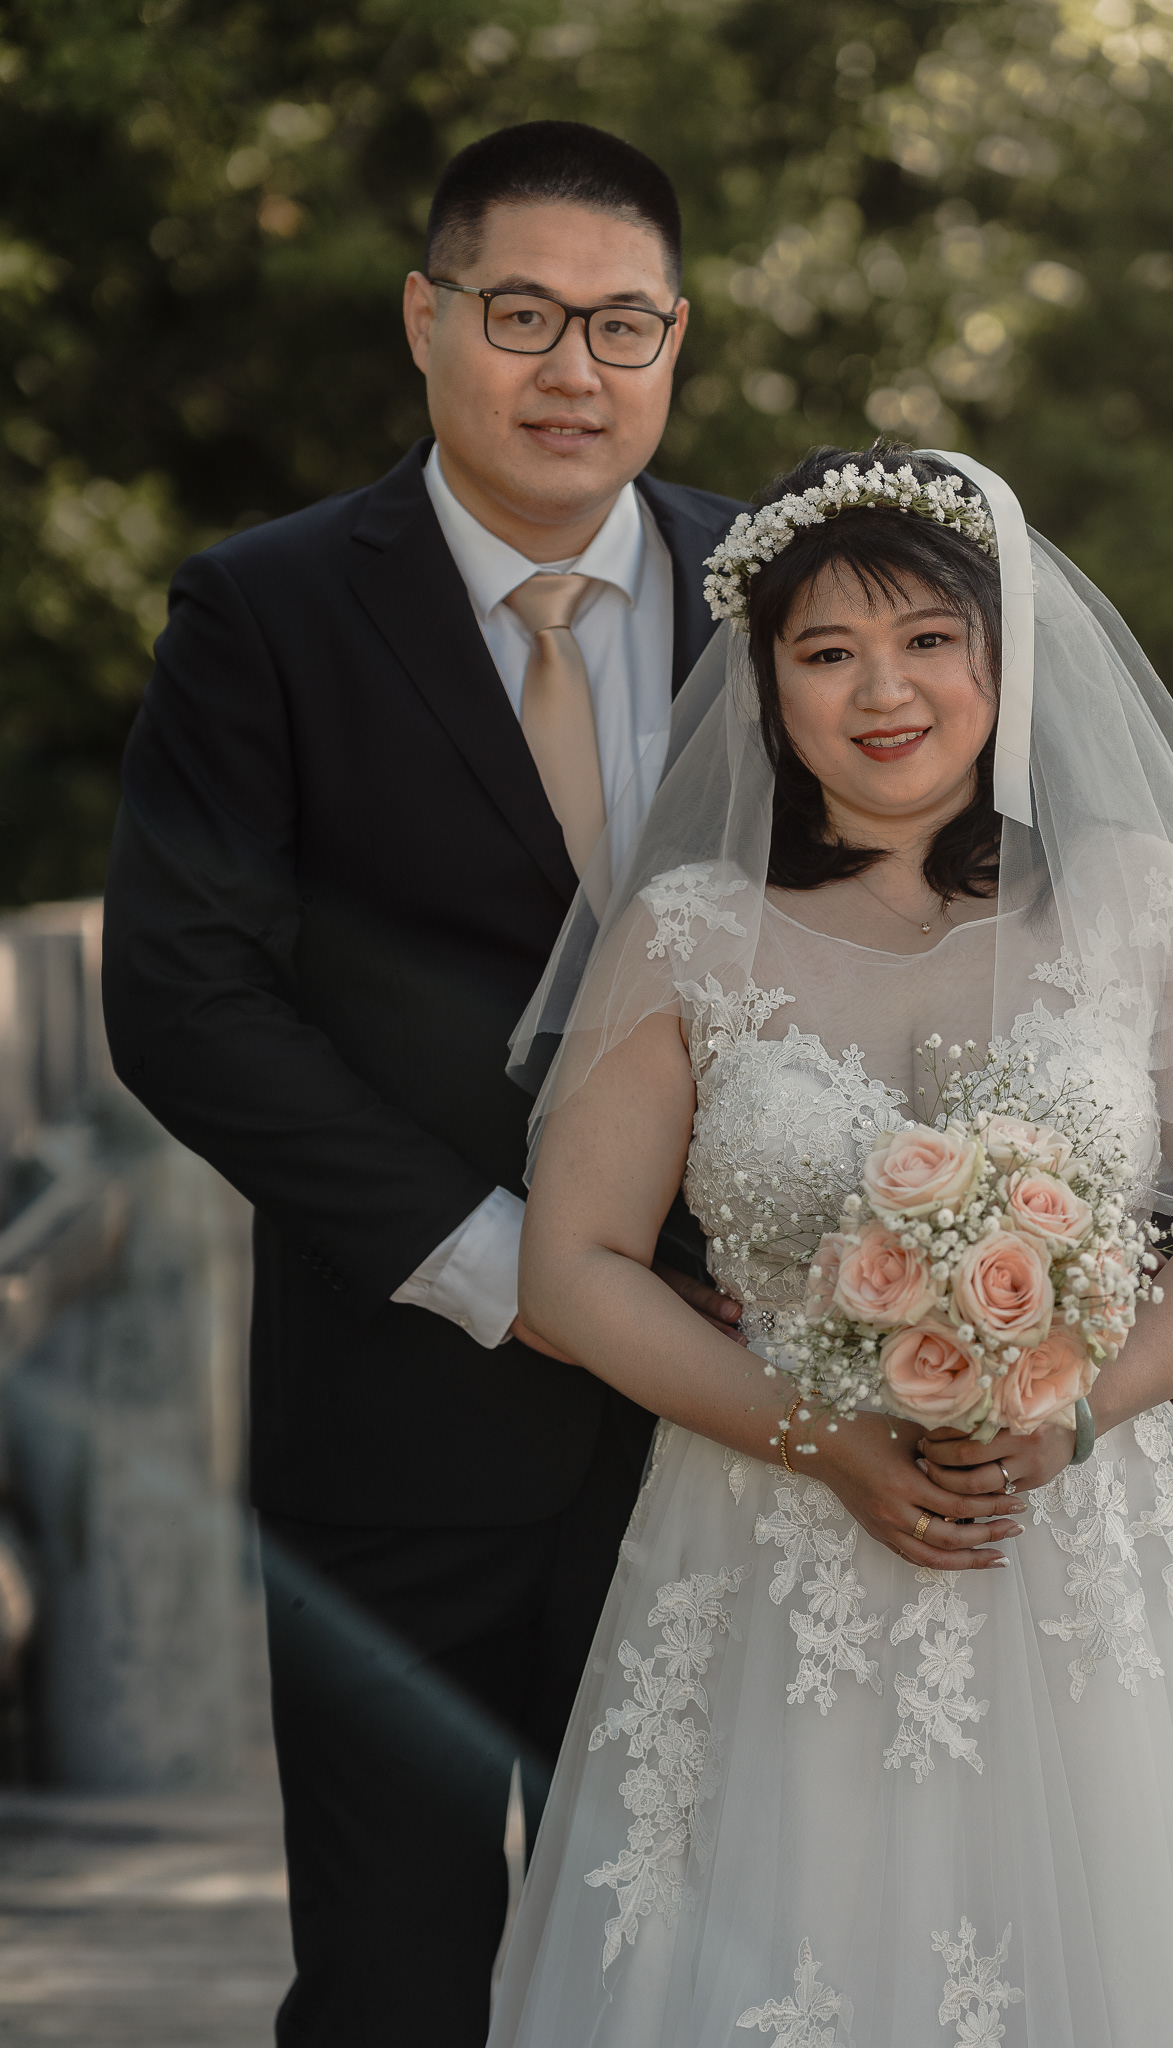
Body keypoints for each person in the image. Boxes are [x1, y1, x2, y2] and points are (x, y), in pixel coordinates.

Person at [490, 444, 1173, 2045]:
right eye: (826, 651)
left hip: (1086, 1535)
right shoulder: (689, 931)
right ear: (764, 682)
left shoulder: (1137, 900)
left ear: (1007, 658)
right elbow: (571, 1266)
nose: (883, 691)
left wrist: (1076, 1410)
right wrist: (819, 1436)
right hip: (770, 1532)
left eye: (928, 639)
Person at [101, 121, 747, 2048]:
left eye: (622, 325)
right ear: (424, 316)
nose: (574, 370)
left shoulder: (778, 596)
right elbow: (184, 1001)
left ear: (676, 339)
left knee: (695, 1970)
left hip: (725, 1420)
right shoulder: (269, 611)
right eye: (522, 313)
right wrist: (506, 1269)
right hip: (398, 1427)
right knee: (390, 1986)